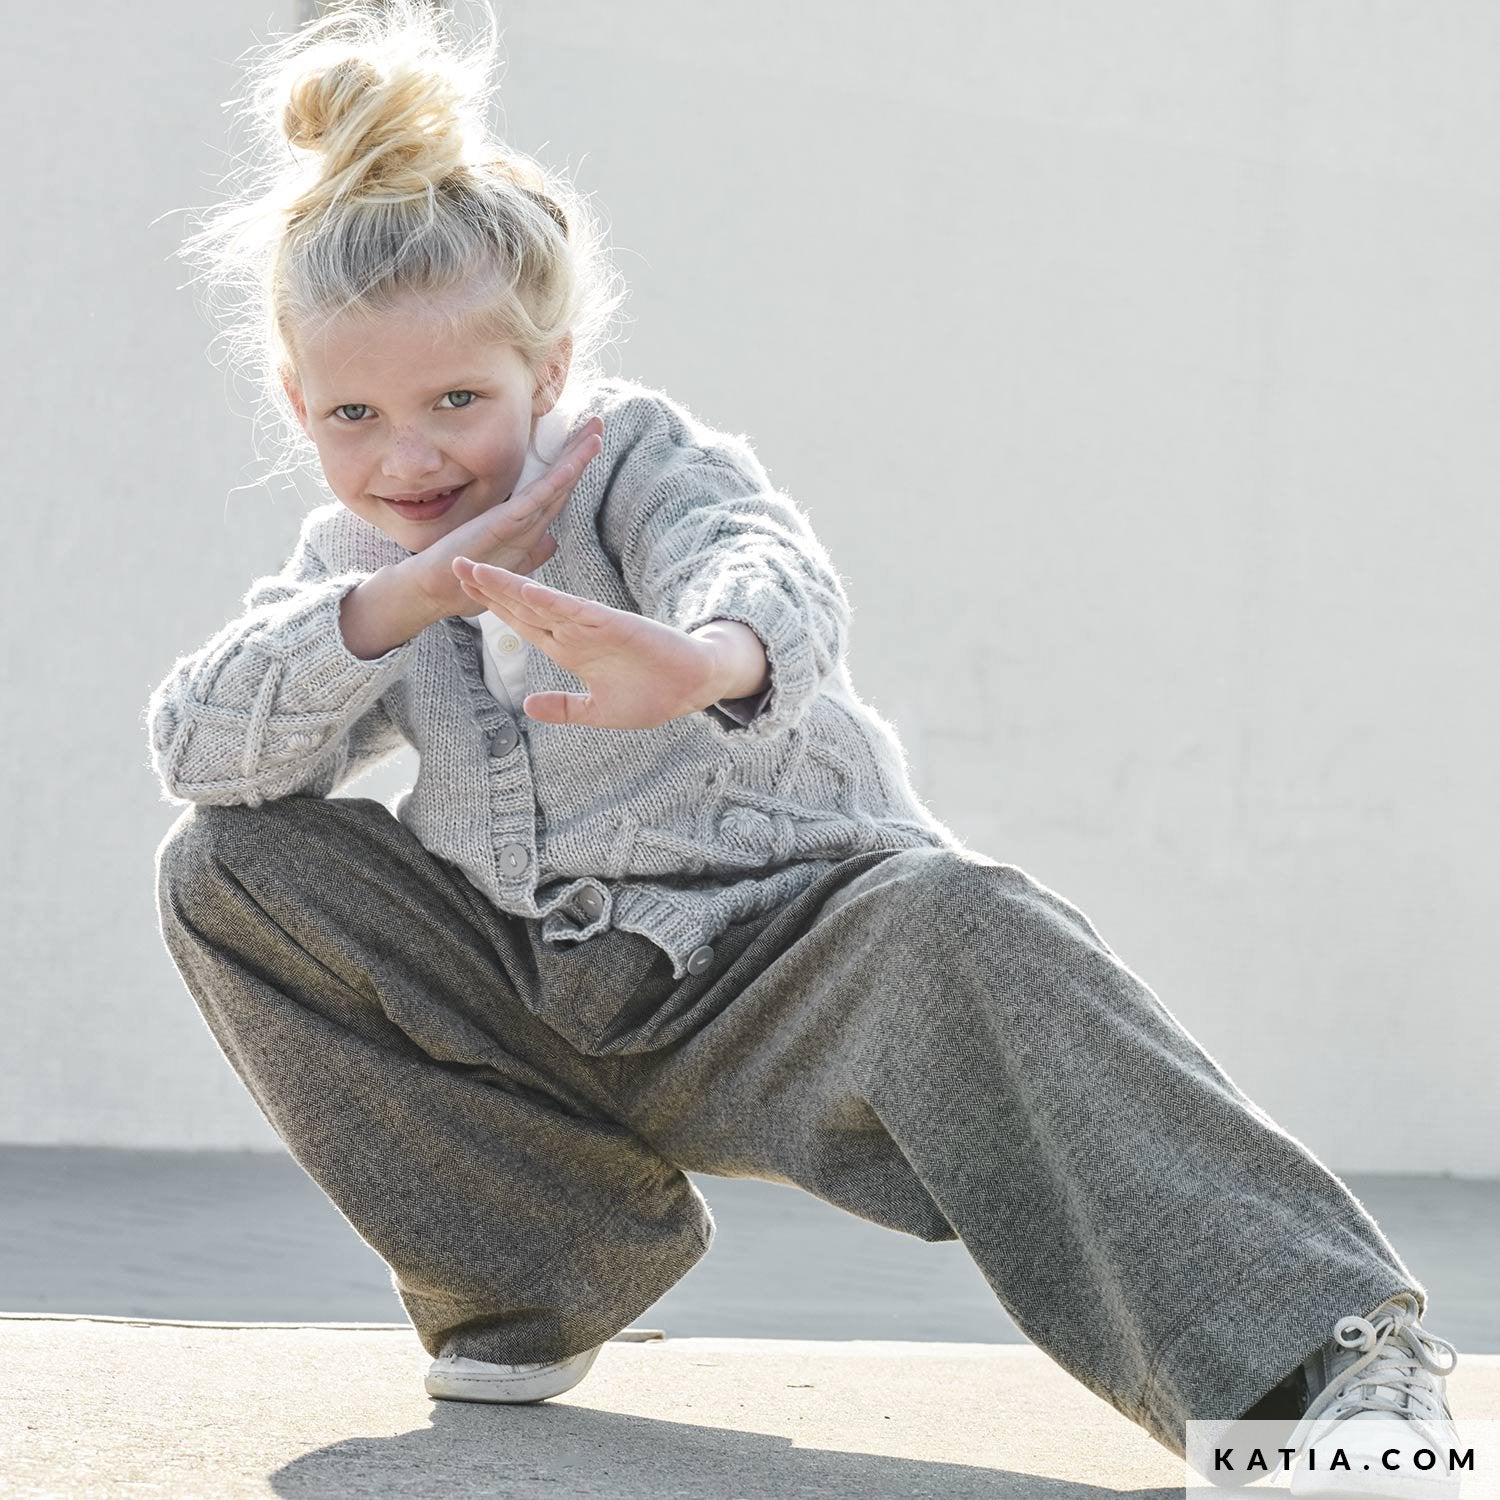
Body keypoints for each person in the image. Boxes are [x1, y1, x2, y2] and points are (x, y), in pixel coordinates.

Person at [143, 1, 1463, 1486]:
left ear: (550, 367)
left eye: (461, 399)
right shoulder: (357, 561)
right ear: (297, 405)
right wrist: (393, 602)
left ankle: (1320, 1376)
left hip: (786, 971)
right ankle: (546, 1261)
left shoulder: (634, 459)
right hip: (546, 993)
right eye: (356, 415)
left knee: (972, 920)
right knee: (225, 864)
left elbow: (761, 561)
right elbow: (200, 747)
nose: (413, 455)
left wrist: (705, 661)